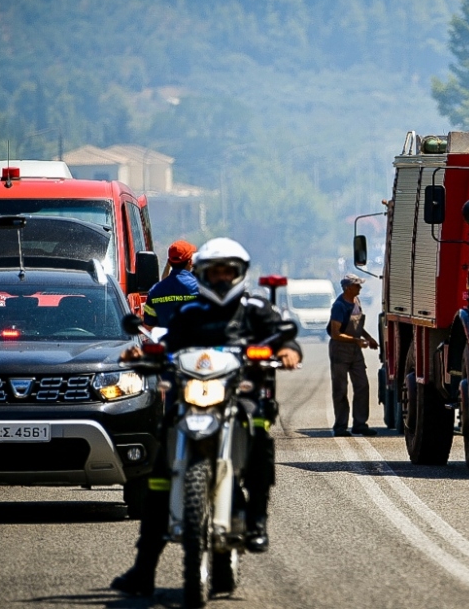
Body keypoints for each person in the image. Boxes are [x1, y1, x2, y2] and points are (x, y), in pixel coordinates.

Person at [112, 237, 302, 597]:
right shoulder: (190, 313)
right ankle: (143, 569)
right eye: (212, 272)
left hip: (241, 394)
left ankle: (257, 520)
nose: (219, 279)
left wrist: (288, 351)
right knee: (159, 473)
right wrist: (143, 352)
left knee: (261, 432)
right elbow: (164, 341)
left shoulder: (255, 309)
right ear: (200, 274)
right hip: (194, 392)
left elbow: (282, 336)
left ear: (238, 274)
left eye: (226, 272)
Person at [327, 273, 379, 437]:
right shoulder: (339, 306)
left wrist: (368, 338)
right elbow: (336, 333)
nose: (360, 288)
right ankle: (340, 426)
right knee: (340, 389)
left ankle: (360, 424)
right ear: (347, 288)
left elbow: (357, 325)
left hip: (355, 351)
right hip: (340, 351)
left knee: (362, 385)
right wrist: (356, 341)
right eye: (357, 285)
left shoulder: (356, 301)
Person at [142, 240, 198, 328]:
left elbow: (149, 325)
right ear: (190, 262)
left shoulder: (155, 291)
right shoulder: (199, 288)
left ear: (170, 262)